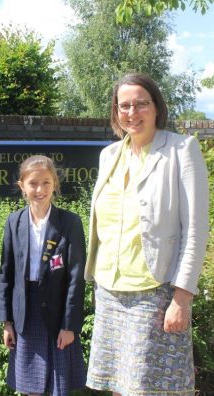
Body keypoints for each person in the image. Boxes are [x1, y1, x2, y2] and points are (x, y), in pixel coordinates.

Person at [85, 73, 209, 395]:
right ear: (115, 112)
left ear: (156, 107)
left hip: (155, 293)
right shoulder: (109, 156)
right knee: (116, 385)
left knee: (149, 388)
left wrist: (182, 298)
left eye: (141, 103)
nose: (132, 112)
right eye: (124, 105)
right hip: (109, 290)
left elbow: (194, 230)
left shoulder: (182, 150)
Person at [0, 155, 86, 396]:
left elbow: (76, 279)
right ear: (22, 186)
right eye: (33, 183)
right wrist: (7, 322)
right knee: (30, 385)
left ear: (55, 183)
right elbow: (6, 274)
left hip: (58, 313)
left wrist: (69, 326)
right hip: (25, 312)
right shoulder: (14, 222)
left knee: (57, 385)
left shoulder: (70, 222)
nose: (40, 189)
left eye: (46, 182)